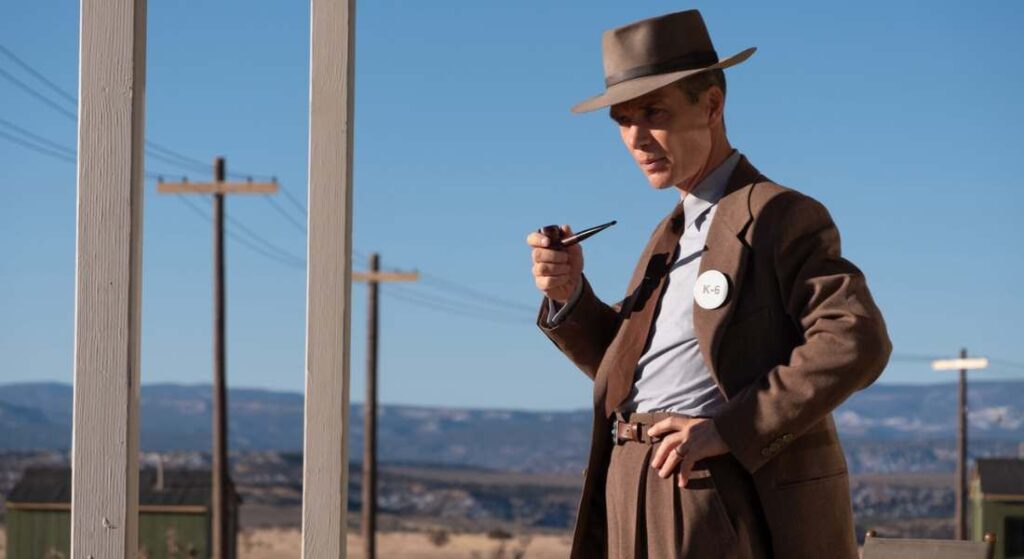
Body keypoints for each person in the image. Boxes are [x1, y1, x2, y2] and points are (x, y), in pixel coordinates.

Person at [526, 9, 891, 559]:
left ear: (712, 105)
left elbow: (855, 339)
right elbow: (627, 372)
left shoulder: (776, 214)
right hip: (631, 481)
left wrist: (732, 430)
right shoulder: (668, 235)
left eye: (653, 112)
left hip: (705, 485)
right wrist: (569, 296)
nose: (636, 138)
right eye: (622, 120)